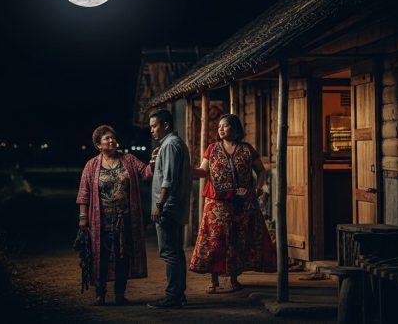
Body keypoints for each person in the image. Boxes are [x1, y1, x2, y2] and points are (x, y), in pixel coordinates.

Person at [189, 113, 276, 293]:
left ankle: (234, 279)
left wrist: (257, 189)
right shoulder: (212, 149)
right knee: (215, 240)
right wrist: (186, 168)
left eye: (225, 125)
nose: (220, 129)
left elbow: (260, 171)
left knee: (238, 239)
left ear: (235, 128)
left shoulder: (247, 150)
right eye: (219, 126)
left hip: (241, 203)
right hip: (217, 204)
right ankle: (214, 281)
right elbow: (202, 172)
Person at [76, 125, 153, 306]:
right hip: (100, 220)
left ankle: (120, 294)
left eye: (113, 137)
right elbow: (83, 192)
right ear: (98, 145)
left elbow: (146, 174)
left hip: (125, 219)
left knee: (123, 257)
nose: (112, 141)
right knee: (100, 256)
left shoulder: (129, 159)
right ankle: (100, 293)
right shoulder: (92, 165)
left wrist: (155, 162)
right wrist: (82, 218)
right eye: (107, 139)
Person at [146, 109, 192, 309]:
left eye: (154, 126)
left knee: (169, 253)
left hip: (168, 208)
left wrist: (159, 205)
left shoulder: (171, 145)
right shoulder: (170, 144)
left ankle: (173, 296)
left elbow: (169, 180)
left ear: (165, 125)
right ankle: (178, 295)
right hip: (174, 207)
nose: (152, 131)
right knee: (176, 252)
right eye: (150, 127)